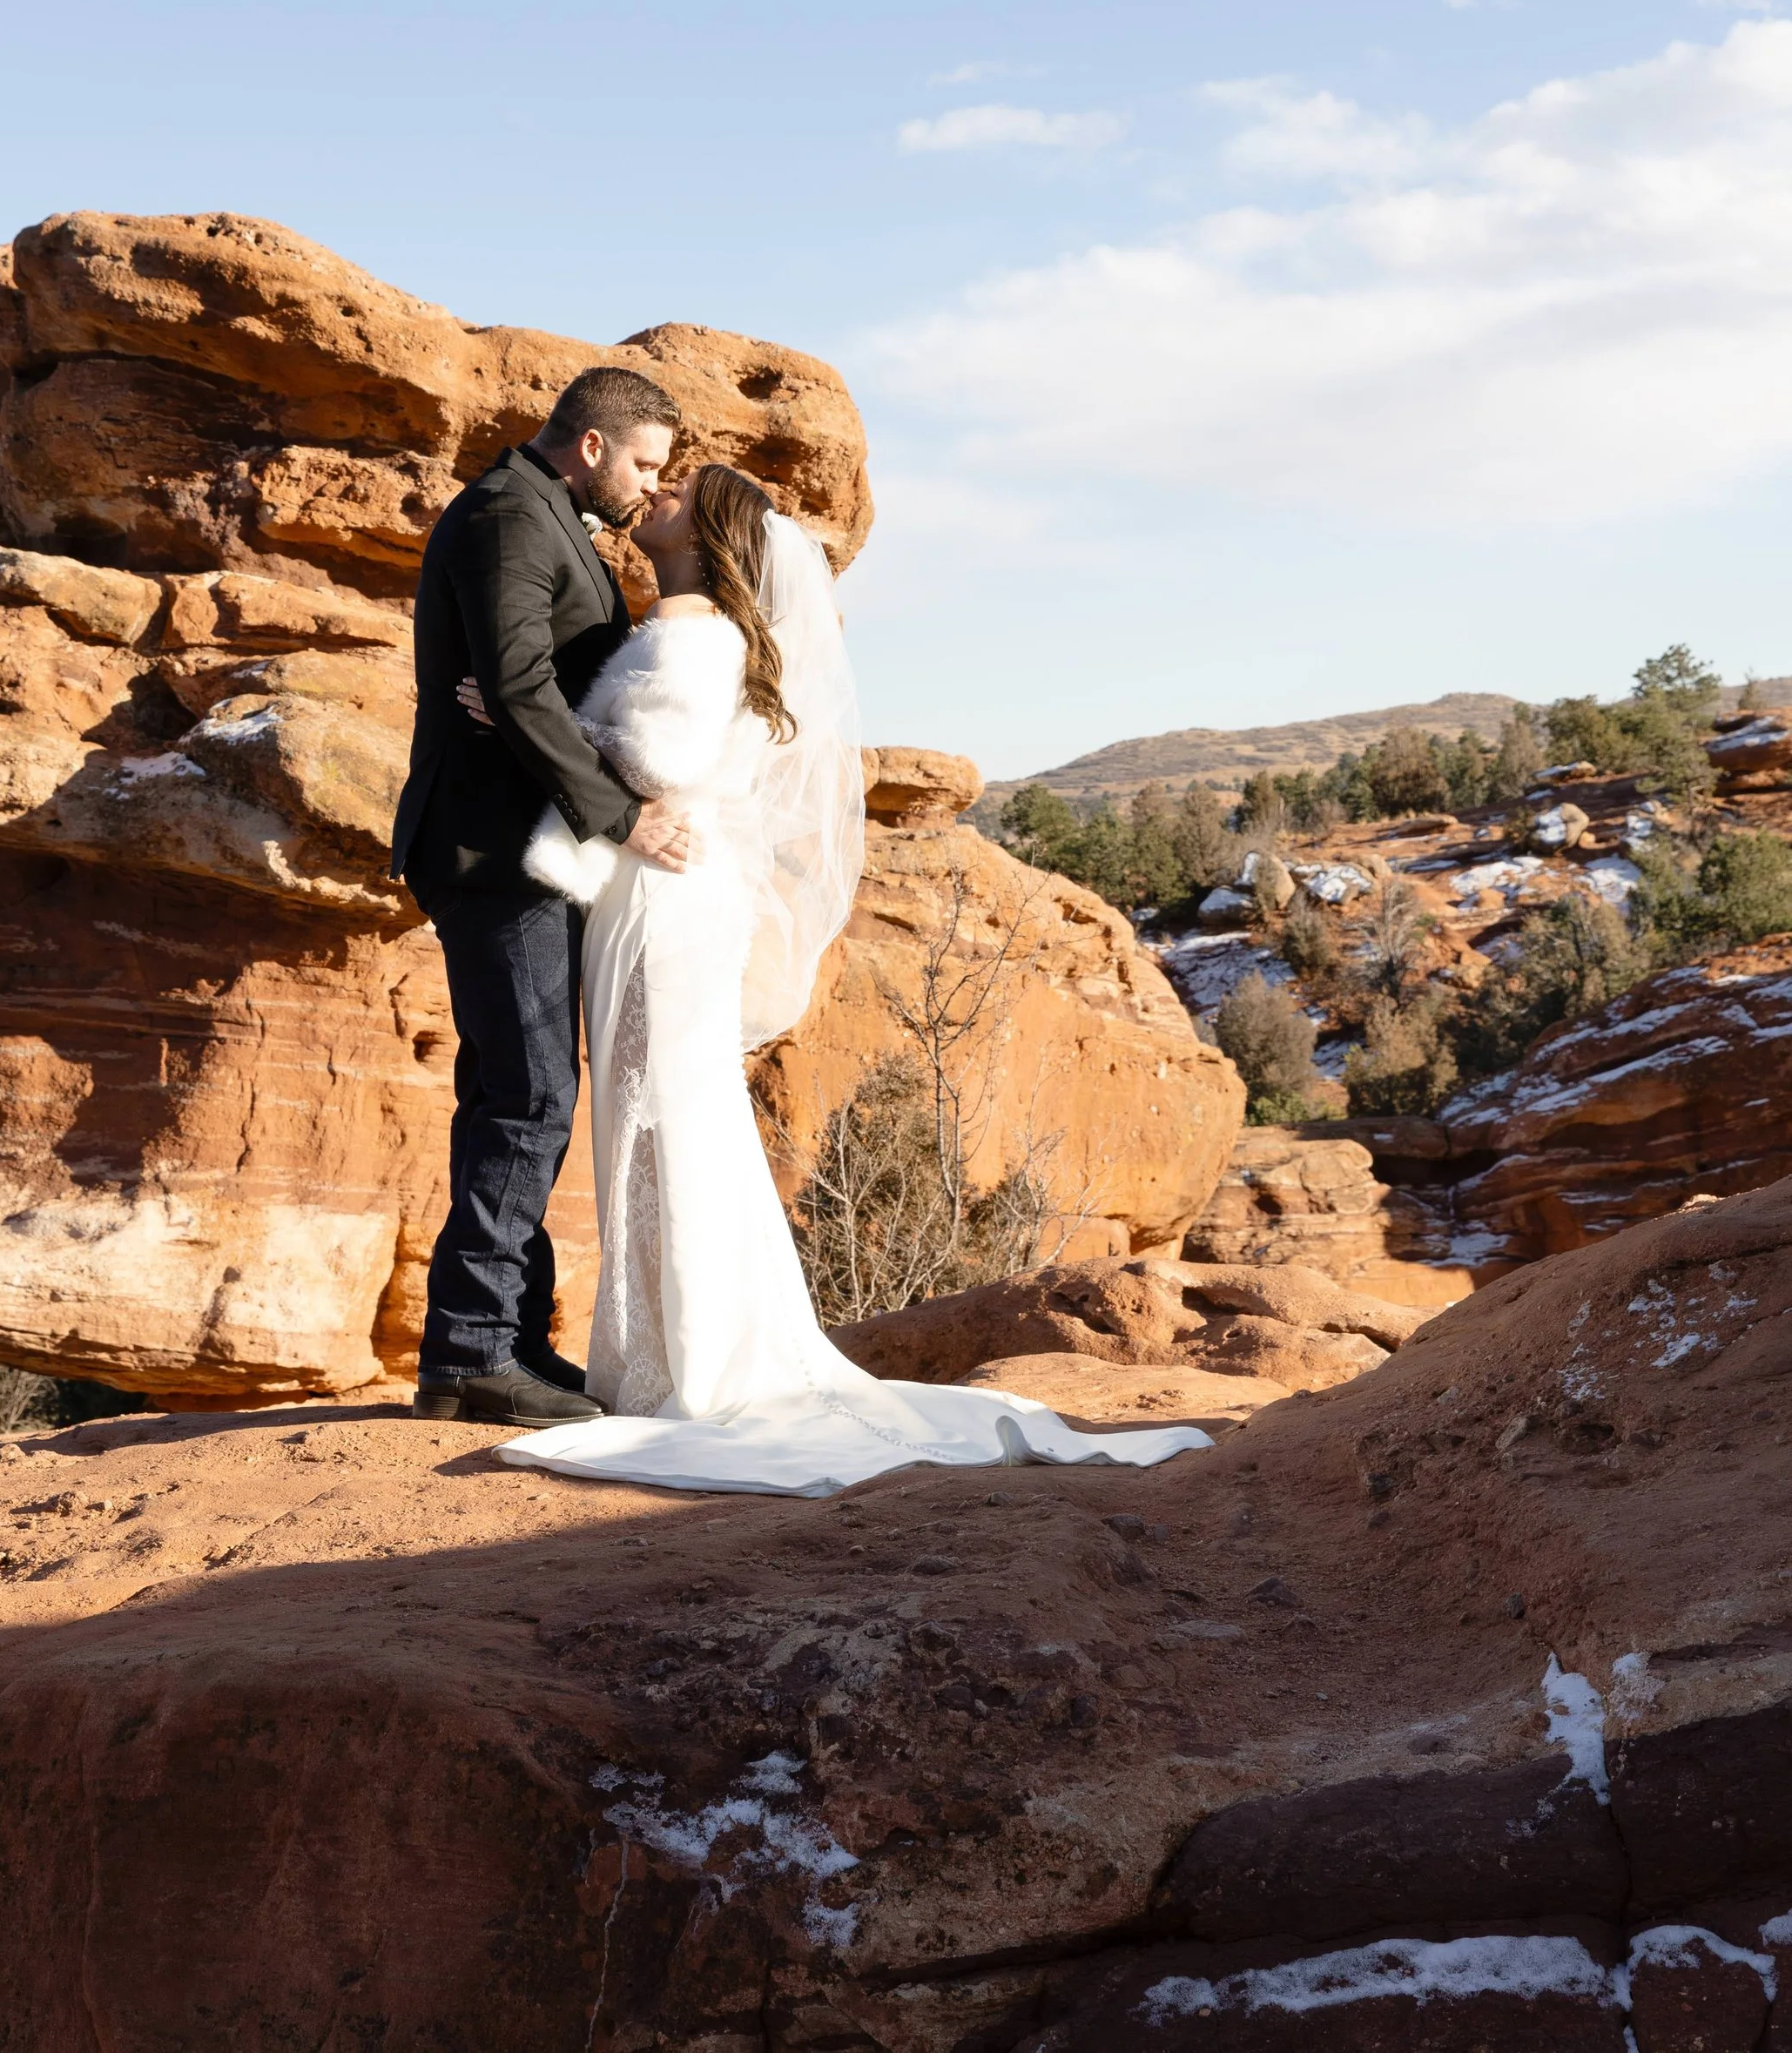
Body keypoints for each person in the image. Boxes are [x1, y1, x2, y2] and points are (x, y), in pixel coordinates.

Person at [495, 461, 1213, 1496]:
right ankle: (668, 1357)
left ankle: (687, 1369)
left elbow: (659, 761)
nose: (655, 499)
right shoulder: (696, 625)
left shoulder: (695, 630)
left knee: (663, 1119)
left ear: (710, 539)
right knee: (663, 1119)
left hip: (663, 907)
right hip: (658, 901)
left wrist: (535, 727)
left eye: (678, 496)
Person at [392, 363, 693, 1426]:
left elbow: (532, 683)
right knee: (525, 1096)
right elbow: (516, 687)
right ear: (597, 444)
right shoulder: (510, 515)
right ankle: (471, 1353)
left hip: (525, 844)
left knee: (525, 1088)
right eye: (647, 461)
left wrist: (539, 703)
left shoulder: (545, 512)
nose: (650, 485)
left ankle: (511, 1337)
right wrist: (625, 814)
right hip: (492, 850)